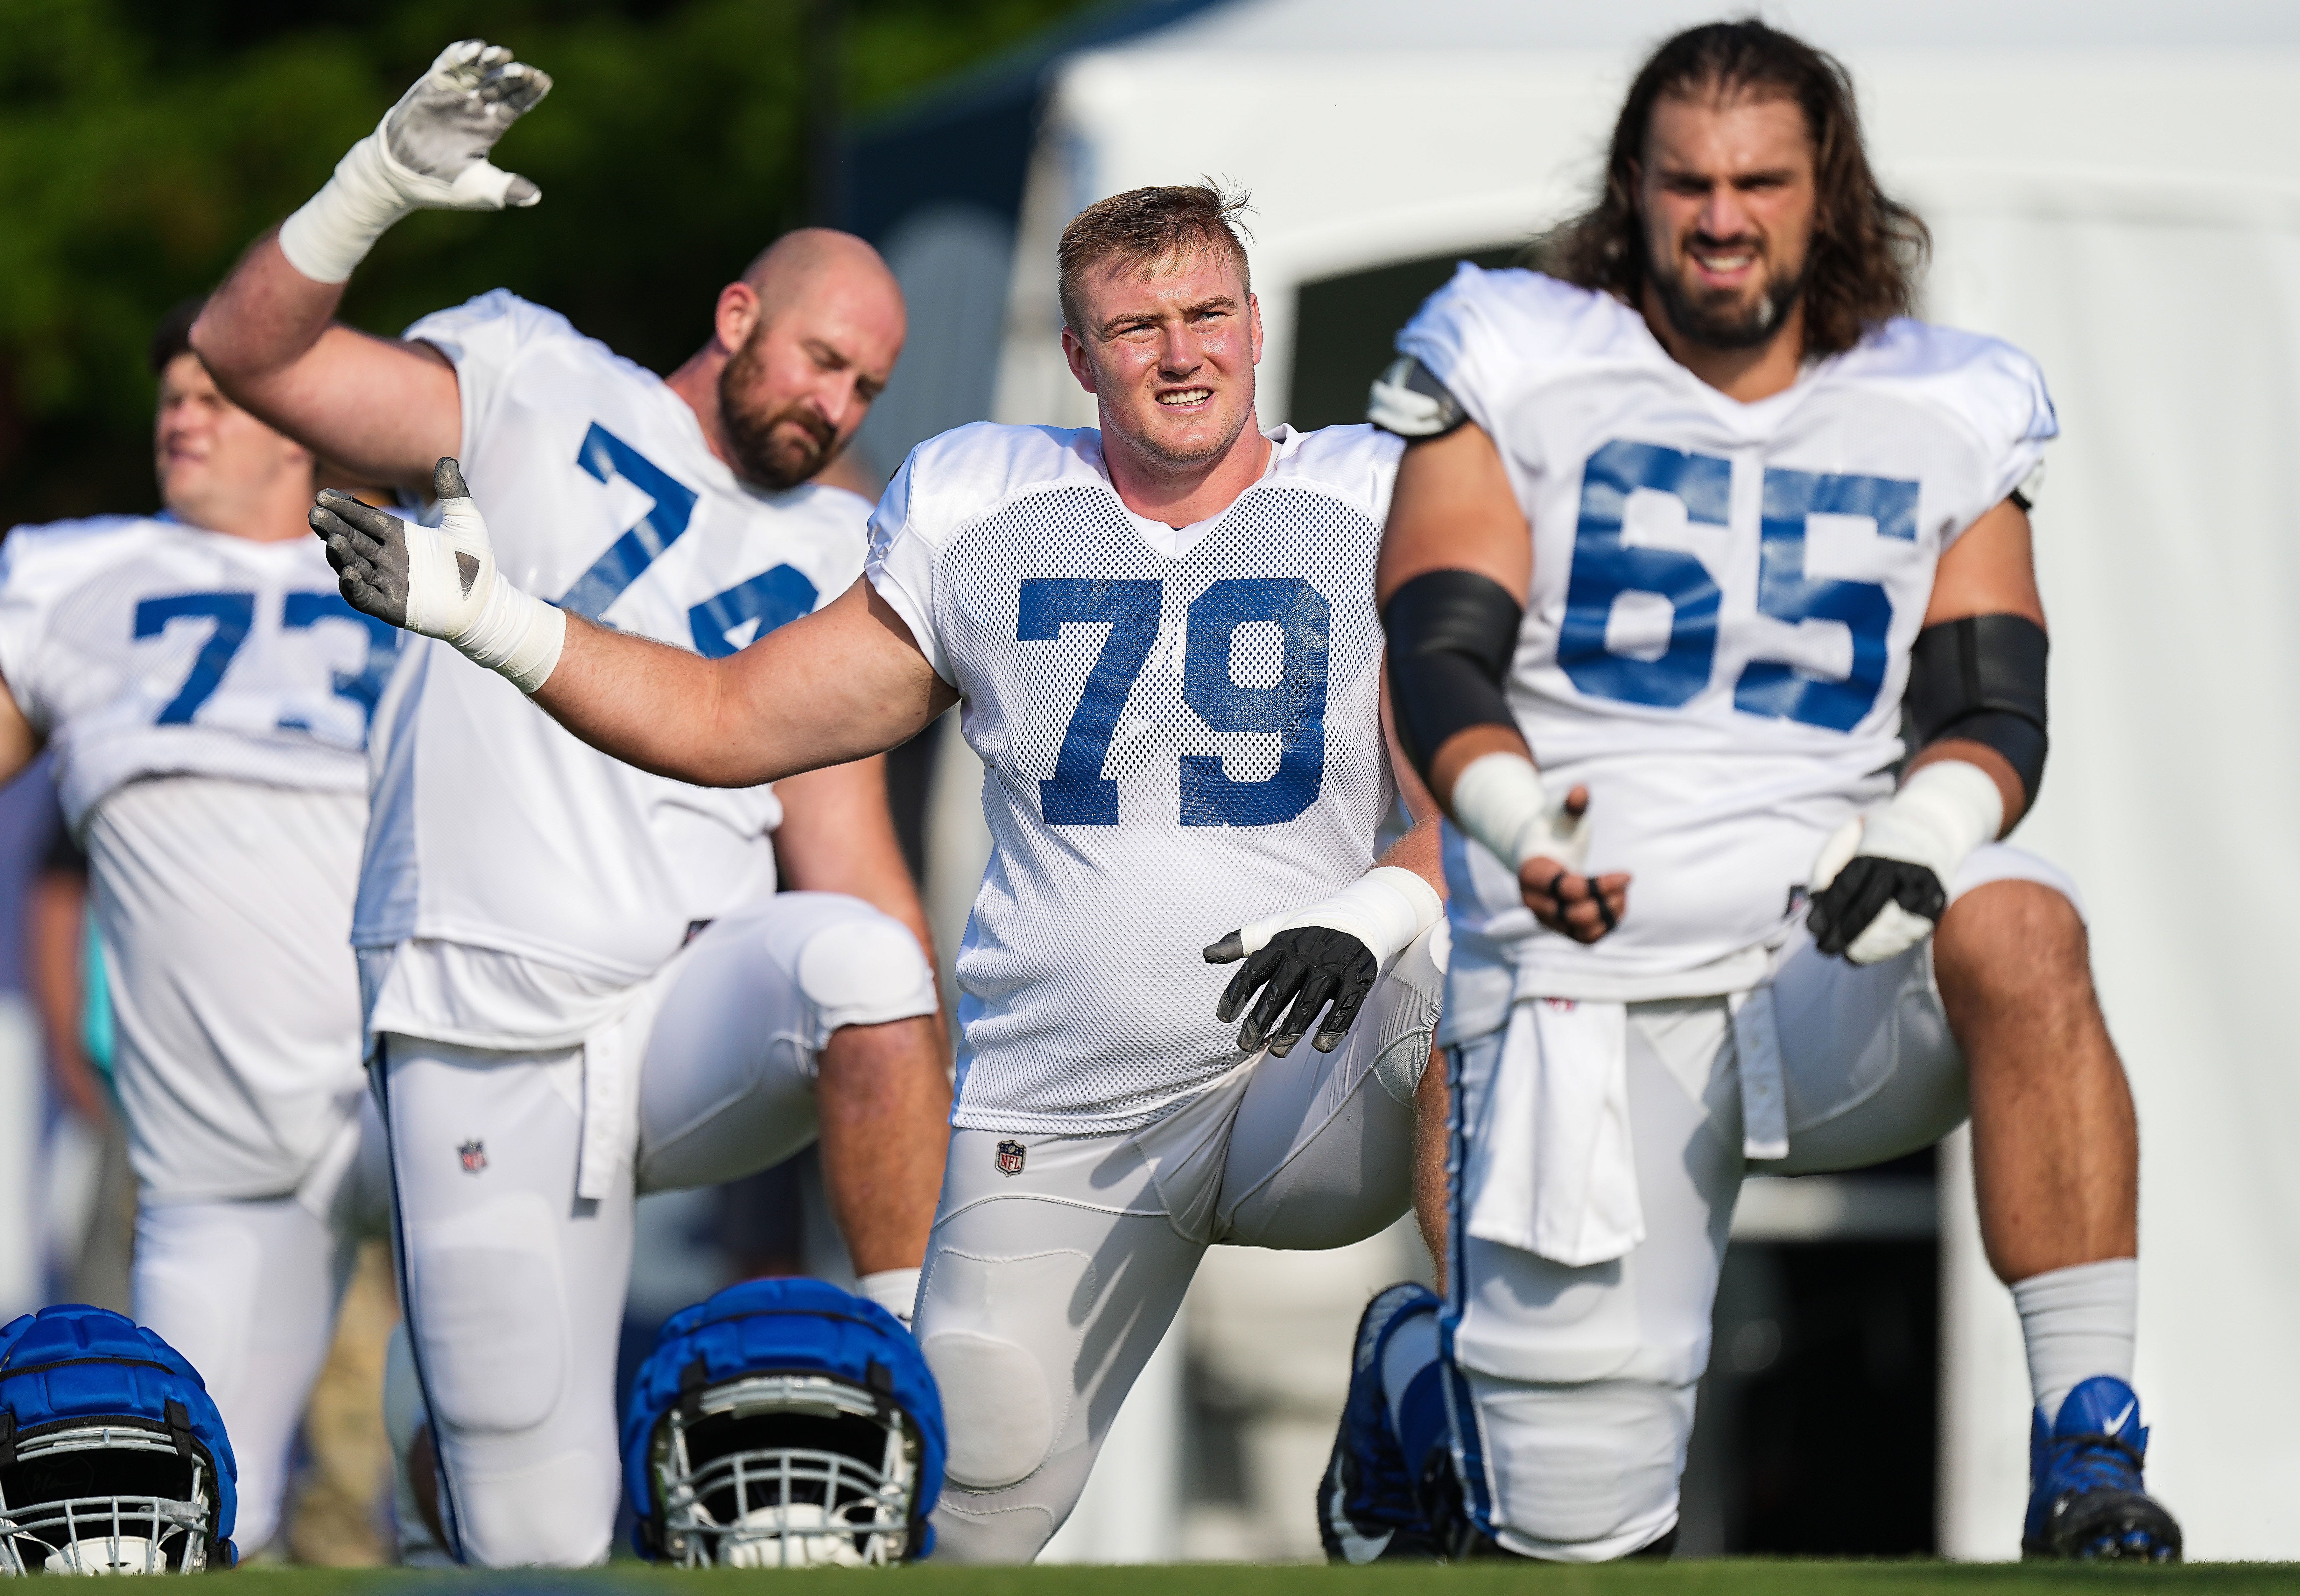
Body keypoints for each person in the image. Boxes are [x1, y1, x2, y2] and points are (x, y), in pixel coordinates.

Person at [306, 181, 1452, 1564]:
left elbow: (1467, 796)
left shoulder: (1381, 495)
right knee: (957, 1533)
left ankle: (1462, 1381)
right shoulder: (982, 503)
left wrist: (1376, 906)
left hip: (1316, 1073)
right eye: (1135, 326)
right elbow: (729, 721)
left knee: (1480, 972)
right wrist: (480, 612)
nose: (1180, 351)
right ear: (1078, 358)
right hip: (1070, 1102)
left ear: (1256, 324)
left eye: (1207, 313)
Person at [1325, 18, 2181, 1565]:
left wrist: (1925, 835)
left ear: (1825, 189)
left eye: (1759, 181)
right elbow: (1438, 641)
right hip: (1588, 957)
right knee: (1574, 1544)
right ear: (1634, 191)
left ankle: (2089, 1450)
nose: (1722, 216)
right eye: (1688, 181)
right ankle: (1426, 1390)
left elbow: (1991, 698)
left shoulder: (1946, 394)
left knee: (2024, 922)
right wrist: (1515, 828)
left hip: (1829, 956)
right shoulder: (1516, 349)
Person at [191, 41, 951, 1567]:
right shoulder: (535, 374)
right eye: (821, 358)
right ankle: (444, 1455)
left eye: (866, 381)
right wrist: (375, 191)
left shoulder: (845, 543)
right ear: (738, 314)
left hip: (685, 1015)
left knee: (872, 973)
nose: (836, 401)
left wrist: (941, 1085)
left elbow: (845, 849)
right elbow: (251, 357)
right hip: (483, 996)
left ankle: (912, 1375)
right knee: (534, 1538)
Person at [0, 302, 394, 1558]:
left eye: (211, 396)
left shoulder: (414, 568)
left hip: (423, 1097)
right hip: (208, 1147)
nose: (179, 412)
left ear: (295, 426)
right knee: (182, 1519)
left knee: (498, 1482)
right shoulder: (75, 574)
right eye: (169, 394)